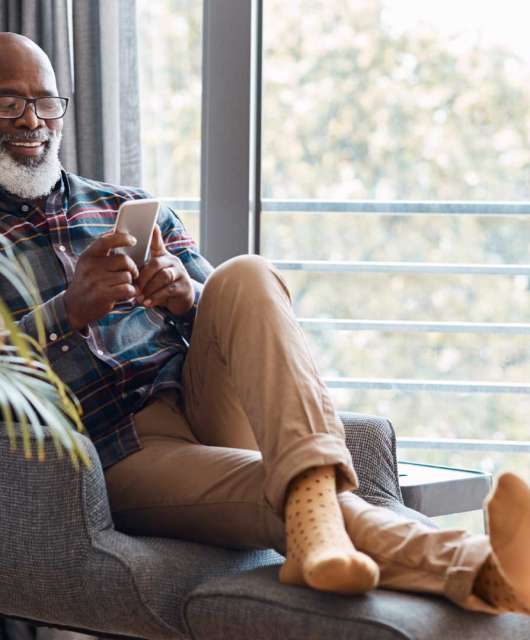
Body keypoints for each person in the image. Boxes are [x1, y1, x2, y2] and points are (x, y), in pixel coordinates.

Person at [0, 32, 528, 616]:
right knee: (295, 497)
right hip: (118, 452)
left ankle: (370, 536)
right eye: (10, 102)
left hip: (208, 405)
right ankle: (483, 569)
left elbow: (232, 311)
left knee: (246, 272)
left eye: (46, 101)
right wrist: (66, 312)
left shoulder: (122, 203)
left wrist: (185, 297)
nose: (34, 121)